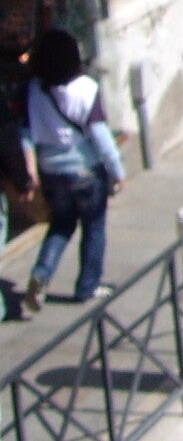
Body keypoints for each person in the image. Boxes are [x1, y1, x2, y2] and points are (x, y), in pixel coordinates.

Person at [19, 29, 125, 311]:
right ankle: (87, 287)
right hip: (85, 171)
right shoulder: (87, 88)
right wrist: (117, 170)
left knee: (61, 224)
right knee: (94, 227)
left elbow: (26, 133)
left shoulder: (34, 89)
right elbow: (101, 137)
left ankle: (41, 274)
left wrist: (31, 171)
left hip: (51, 172)